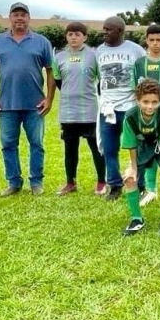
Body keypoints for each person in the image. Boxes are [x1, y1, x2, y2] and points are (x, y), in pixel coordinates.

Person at [0, 2, 55, 196]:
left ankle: (36, 182)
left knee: (37, 144)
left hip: (35, 105)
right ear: (10, 18)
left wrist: (49, 98)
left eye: (23, 14)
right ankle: (14, 182)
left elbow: (51, 71)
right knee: (8, 144)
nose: (19, 18)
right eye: (16, 14)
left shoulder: (41, 42)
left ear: (29, 18)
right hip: (6, 105)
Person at [52, 22, 106, 196]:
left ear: (85, 37)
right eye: (70, 34)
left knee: (96, 147)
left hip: (89, 110)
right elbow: (58, 81)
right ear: (66, 37)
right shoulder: (59, 57)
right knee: (70, 148)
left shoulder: (93, 56)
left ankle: (101, 182)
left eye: (77, 34)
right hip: (68, 111)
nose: (73, 37)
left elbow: (101, 81)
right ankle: (70, 182)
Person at [96, 16, 145, 201]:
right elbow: (98, 77)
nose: (104, 32)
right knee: (109, 149)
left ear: (120, 31)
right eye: (104, 28)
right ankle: (115, 185)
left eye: (108, 29)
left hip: (129, 107)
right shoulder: (99, 51)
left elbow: (143, 75)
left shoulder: (136, 50)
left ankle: (140, 185)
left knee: (136, 147)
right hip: (107, 109)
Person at [120, 79, 160, 236]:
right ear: (138, 100)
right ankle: (137, 219)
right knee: (129, 178)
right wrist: (133, 167)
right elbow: (131, 143)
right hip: (142, 146)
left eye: (154, 102)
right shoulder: (130, 116)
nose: (150, 106)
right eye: (145, 102)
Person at [132, 24, 160, 206]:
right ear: (146, 41)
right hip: (145, 118)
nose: (155, 43)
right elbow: (135, 89)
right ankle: (151, 190)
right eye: (152, 40)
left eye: (159, 39)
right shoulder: (139, 63)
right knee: (148, 153)